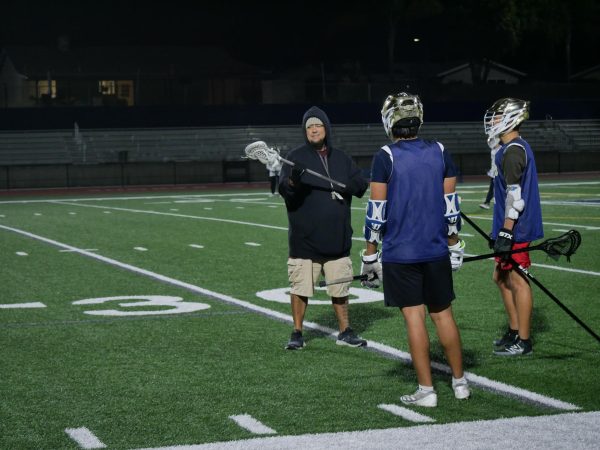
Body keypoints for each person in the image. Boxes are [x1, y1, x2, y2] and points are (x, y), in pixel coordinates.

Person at [360, 92, 470, 407]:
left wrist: (370, 256)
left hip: (401, 253)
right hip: (436, 249)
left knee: (414, 318)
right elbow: (451, 209)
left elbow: (376, 212)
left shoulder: (385, 155)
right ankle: (460, 383)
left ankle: (427, 390)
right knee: (443, 314)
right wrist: (454, 245)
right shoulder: (440, 150)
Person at [279, 106, 369, 350]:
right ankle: (297, 332)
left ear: (326, 129)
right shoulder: (294, 157)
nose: (314, 130)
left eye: (317, 125)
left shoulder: (342, 158)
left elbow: (361, 185)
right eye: (309, 127)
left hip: (337, 239)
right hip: (304, 240)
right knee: (300, 288)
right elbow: (285, 193)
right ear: (305, 131)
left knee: (339, 288)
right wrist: (293, 181)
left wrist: (351, 185)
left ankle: (345, 331)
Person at [484, 98, 543, 356]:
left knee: (518, 281)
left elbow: (515, 199)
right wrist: (497, 230)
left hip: (516, 229)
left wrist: (506, 231)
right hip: (507, 227)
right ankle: (514, 329)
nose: (493, 121)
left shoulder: (513, 151)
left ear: (510, 118)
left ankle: (524, 340)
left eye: (497, 116)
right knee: (500, 277)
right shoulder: (508, 148)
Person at [479, 136, 500, 210]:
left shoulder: (501, 149)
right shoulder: (493, 150)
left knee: (496, 188)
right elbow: (493, 163)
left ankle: (487, 202)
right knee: (492, 188)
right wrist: (491, 171)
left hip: (499, 173)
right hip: (494, 173)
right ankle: (487, 203)